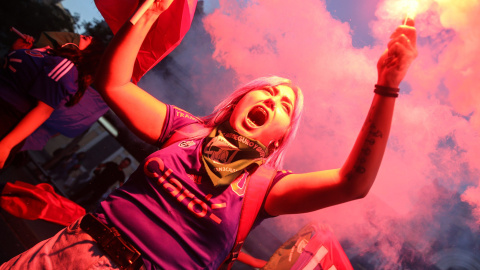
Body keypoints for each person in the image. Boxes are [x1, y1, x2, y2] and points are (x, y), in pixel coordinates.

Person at [0, 1, 418, 269]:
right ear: (238, 100)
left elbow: (353, 183)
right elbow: (116, 84)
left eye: (285, 107)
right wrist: (150, 11)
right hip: (66, 251)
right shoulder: (186, 128)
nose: (273, 101)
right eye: (268, 91)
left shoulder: (266, 186)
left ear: (278, 140)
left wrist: (388, 84)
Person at [0, 32, 105, 169]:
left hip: (5, 119)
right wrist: (16, 50)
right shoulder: (50, 54)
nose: (89, 36)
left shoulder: (66, 66)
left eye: (92, 41)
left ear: (91, 54)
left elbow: (43, 110)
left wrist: (5, 145)